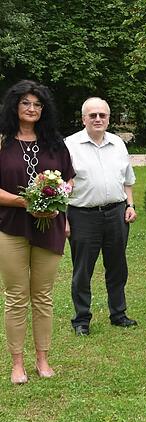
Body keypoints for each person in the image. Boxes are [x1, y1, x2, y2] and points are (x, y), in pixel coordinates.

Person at [0, 80, 74, 384]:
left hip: (50, 227)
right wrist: (26, 203)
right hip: (11, 227)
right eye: (26, 103)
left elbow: (69, 182)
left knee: (43, 296)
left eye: (37, 104)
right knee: (16, 296)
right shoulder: (3, 142)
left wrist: (57, 203)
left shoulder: (56, 143)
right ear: (15, 106)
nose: (32, 109)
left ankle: (43, 359)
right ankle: (17, 363)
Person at [65, 97, 138, 336]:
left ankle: (118, 314)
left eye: (102, 115)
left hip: (116, 213)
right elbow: (62, 184)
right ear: (83, 118)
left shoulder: (118, 143)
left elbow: (128, 179)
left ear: (108, 118)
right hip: (82, 215)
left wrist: (131, 204)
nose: (98, 119)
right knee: (83, 269)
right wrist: (63, 218)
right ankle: (81, 319)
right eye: (92, 115)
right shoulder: (70, 145)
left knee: (117, 266)